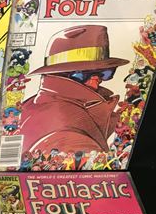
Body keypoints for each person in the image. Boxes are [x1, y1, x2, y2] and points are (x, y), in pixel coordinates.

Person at [18, 25, 129, 154]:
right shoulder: (70, 138)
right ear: (59, 74)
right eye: (82, 74)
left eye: (104, 73)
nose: (95, 83)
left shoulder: (29, 105)